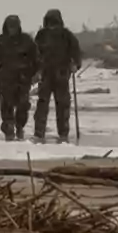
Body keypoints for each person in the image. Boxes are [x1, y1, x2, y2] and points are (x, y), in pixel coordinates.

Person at [0, 15, 40, 141]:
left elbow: (36, 57)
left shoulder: (26, 40)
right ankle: (8, 129)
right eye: (10, 27)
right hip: (6, 77)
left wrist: (37, 73)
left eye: (14, 27)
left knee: (23, 104)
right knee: (6, 105)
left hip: (23, 77)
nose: (12, 29)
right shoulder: (0, 41)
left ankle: (20, 126)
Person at [33, 8, 81, 143]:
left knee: (63, 104)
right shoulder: (42, 35)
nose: (52, 26)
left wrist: (76, 64)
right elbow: (35, 53)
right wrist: (36, 70)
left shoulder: (67, 35)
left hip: (62, 73)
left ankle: (63, 133)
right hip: (46, 73)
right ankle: (39, 132)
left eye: (54, 22)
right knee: (42, 104)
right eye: (50, 22)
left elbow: (76, 51)